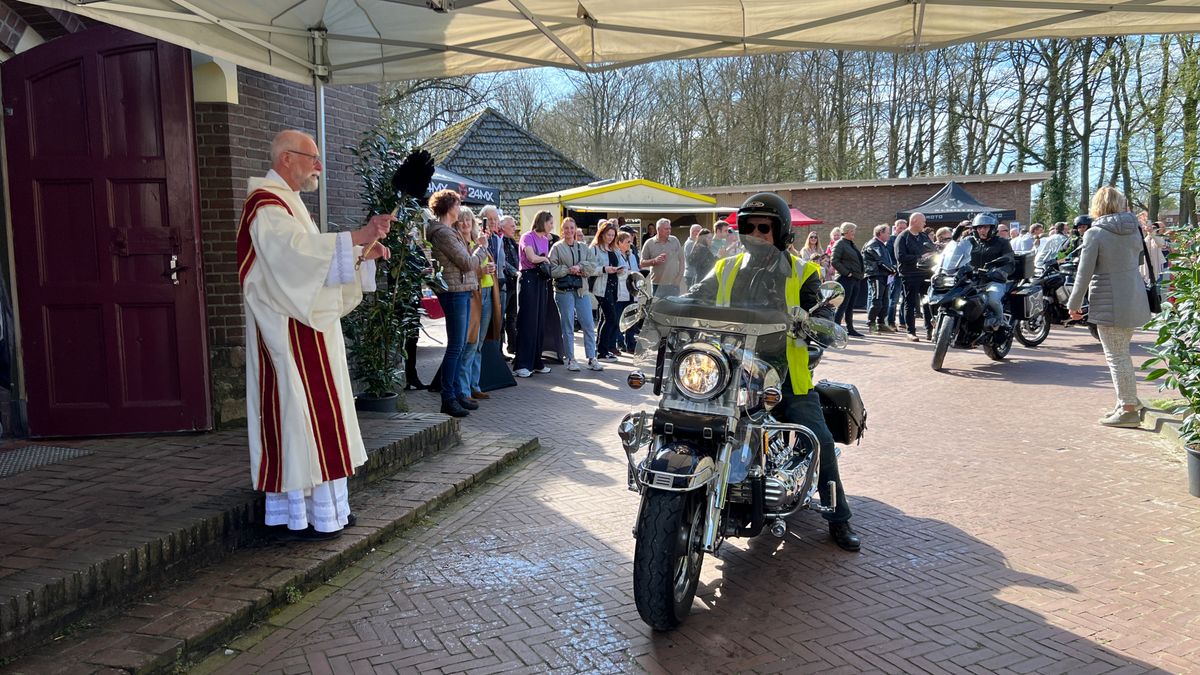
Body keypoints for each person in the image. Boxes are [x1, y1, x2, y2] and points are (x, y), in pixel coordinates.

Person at [240, 129, 393, 540]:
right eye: (312, 158)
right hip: (287, 329)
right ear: (286, 158)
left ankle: (328, 511)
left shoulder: (289, 202)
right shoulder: (265, 204)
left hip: (307, 323)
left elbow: (315, 261)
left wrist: (362, 252)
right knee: (298, 419)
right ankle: (301, 515)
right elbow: (294, 258)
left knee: (319, 419)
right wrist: (357, 237)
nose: (319, 167)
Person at [685, 192, 859, 552]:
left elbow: (823, 313)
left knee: (819, 438)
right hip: (731, 370)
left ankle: (838, 516)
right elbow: (697, 296)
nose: (756, 235)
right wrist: (668, 306)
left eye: (764, 228)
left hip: (786, 376)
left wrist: (813, 322)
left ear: (781, 233)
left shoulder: (803, 271)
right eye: (749, 228)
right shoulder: (726, 267)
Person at [1068, 186, 1152, 428]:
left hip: (1108, 300)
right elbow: (1137, 260)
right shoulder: (1134, 229)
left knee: (1117, 356)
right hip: (1134, 297)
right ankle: (1126, 401)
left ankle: (1128, 410)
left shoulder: (1095, 233)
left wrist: (1074, 303)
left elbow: (1084, 273)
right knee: (1121, 352)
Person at [427, 191, 485, 417]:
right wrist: (482, 248)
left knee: (460, 346)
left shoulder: (451, 232)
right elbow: (467, 263)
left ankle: (458, 393)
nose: (460, 208)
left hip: (461, 289)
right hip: (454, 292)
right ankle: (448, 398)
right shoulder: (444, 233)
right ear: (449, 207)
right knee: (455, 347)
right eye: (457, 204)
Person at [549, 218, 603, 372]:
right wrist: (568, 270)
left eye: (571, 228)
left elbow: (593, 266)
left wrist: (580, 267)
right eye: (566, 228)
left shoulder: (583, 247)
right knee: (568, 325)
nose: (569, 231)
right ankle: (571, 359)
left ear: (575, 229)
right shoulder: (557, 248)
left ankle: (592, 357)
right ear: (562, 230)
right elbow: (551, 269)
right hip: (564, 291)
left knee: (588, 324)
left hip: (581, 290)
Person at [461, 211, 501, 401]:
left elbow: (487, 266)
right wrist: (481, 270)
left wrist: (490, 269)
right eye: (461, 220)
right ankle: (464, 390)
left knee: (478, 344)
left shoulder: (479, 242)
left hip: (487, 293)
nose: (465, 223)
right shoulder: (462, 245)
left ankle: (474, 385)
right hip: (473, 296)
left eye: (468, 219)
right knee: (470, 343)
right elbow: (466, 269)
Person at [512, 211, 554, 378]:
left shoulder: (545, 239)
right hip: (528, 279)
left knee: (539, 322)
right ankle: (522, 364)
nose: (552, 226)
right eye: (550, 223)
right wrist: (545, 259)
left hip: (540, 280)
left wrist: (544, 260)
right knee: (528, 321)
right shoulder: (527, 237)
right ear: (543, 222)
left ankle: (536, 362)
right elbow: (531, 257)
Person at [957, 213, 1015, 329]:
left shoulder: (1002, 242)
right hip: (970, 280)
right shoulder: (969, 241)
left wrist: (998, 272)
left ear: (992, 228)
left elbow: (1010, 263)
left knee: (993, 299)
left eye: (985, 227)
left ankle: (999, 322)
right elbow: (955, 251)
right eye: (979, 227)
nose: (982, 230)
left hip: (993, 280)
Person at [893, 213, 937, 341]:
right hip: (910, 275)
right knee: (910, 303)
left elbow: (932, 248)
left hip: (926, 273)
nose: (925, 223)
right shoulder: (903, 237)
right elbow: (900, 257)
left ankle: (929, 330)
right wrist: (920, 257)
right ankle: (911, 332)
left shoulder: (923, 236)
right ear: (915, 221)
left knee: (927, 302)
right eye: (923, 221)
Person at [591, 220, 624, 361]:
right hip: (601, 287)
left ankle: (601, 349)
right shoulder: (594, 249)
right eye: (608, 235)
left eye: (612, 235)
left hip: (614, 285)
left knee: (606, 318)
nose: (610, 237)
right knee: (611, 318)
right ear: (602, 234)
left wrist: (620, 270)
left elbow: (622, 265)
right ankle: (602, 351)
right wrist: (604, 269)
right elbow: (589, 268)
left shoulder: (615, 250)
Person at [830, 222, 866, 337]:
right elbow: (834, 261)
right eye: (852, 231)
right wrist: (847, 273)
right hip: (845, 279)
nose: (854, 233)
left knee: (850, 305)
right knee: (843, 305)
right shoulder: (840, 243)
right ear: (846, 232)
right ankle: (835, 329)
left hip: (855, 279)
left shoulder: (850, 244)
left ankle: (850, 328)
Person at [861, 223, 897, 334]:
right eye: (887, 233)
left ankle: (881, 323)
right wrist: (893, 270)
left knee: (885, 301)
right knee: (877, 300)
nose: (889, 235)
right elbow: (880, 261)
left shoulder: (881, 245)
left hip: (884, 275)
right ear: (880, 233)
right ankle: (871, 324)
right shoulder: (873, 244)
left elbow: (884, 261)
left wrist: (892, 270)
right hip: (876, 275)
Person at [640, 218, 684, 298]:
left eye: (669, 228)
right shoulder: (649, 243)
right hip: (657, 285)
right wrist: (654, 261)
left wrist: (679, 278)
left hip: (673, 285)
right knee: (658, 306)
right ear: (658, 229)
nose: (669, 231)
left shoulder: (674, 240)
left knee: (673, 306)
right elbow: (642, 263)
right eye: (666, 229)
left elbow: (682, 260)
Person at [614, 232, 641, 352]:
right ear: (619, 243)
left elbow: (636, 270)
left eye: (630, 241)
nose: (630, 244)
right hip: (621, 290)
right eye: (627, 242)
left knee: (631, 318)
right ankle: (619, 342)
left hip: (632, 290)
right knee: (619, 318)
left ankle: (630, 343)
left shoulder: (632, 256)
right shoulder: (616, 255)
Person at [500, 215, 521, 352]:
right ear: (503, 227)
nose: (515, 228)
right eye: (512, 226)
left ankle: (513, 346)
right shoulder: (499, 241)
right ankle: (499, 351)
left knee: (512, 316)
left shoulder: (512, 242)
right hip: (505, 284)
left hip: (514, 284)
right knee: (501, 317)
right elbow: (502, 262)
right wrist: (515, 272)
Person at [885, 219, 907, 331]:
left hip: (906, 273)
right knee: (894, 298)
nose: (902, 230)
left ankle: (903, 322)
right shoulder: (891, 240)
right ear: (895, 228)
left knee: (905, 299)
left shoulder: (907, 238)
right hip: (896, 273)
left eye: (904, 228)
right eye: (900, 228)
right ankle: (891, 322)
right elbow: (889, 256)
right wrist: (894, 269)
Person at [682, 223, 703, 287]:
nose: (697, 233)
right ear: (691, 232)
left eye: (699, 231)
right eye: (694, 231)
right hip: (692, 275)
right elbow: (692, 260)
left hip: (694, 274)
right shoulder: (690, 244)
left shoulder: (697, 243)